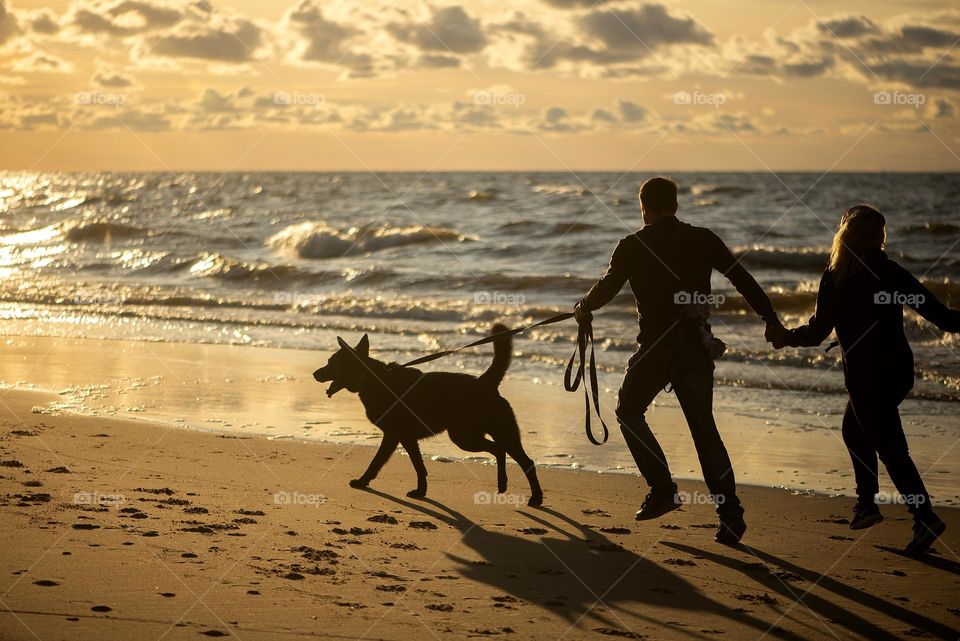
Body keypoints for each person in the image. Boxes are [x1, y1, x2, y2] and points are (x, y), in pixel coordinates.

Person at [574, 177, 784, 545]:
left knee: (628, 410)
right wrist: (770, 319)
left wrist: (583, 308)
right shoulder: (703, 239)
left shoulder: (632, 245)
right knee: (704, 430)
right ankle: (731, 514)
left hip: (657, 347)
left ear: (645, 207)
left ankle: (663, 489)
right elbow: (742, 279)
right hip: (696, 346)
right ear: (675, 205)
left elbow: (607, 288)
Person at [767, 204, 960, 555]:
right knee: (855, 431)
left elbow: (817, 332)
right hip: (898, 371)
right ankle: (868, 506)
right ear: (878, 237)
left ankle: (923, 516)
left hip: (866, 375)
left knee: (891, 450)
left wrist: (784, 337)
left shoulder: (836, 277)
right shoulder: (891, 273)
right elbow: (943, 318)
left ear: (844, 235)